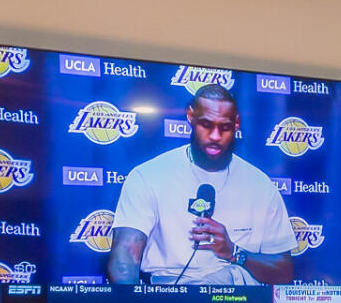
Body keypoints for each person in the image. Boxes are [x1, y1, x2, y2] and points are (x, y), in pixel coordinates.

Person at [105, 83, 300, 288]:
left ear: (236, 124)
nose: (215, 136)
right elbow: (124, 258)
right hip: (173, 296)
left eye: (224, 127)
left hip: (241, 300)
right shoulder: (148, 176)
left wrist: (235, 253)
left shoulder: (261, 185)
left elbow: (284, 271)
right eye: (206, 125)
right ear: (191, 117)